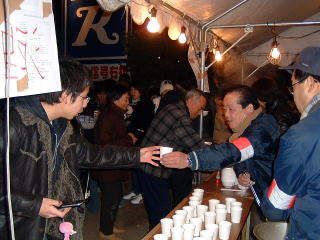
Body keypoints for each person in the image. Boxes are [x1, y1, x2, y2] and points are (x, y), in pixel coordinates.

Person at [0, 58, 160, 240]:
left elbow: (93, 154)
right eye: (84, 98)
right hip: (19, 228)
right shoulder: (12, 124)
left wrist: (137, 154)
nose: (85, 104)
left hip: (53, 225)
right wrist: (34, 205)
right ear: (66, 96)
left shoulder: (62, 126)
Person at [161, 85, 280, 200]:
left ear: (248, 109)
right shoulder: (248, 128)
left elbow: (234, 152)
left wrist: (190, 159)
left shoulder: (261, 130)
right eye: (224, 109)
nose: (226, 115)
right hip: (264, 195)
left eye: (231, 109)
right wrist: (242, 173)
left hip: (273, 199)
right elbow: (242, 158)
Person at [260, 47, 320, 239]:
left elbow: (276, 208)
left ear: (310, 83)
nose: (293, 94)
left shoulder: (302, 135)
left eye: (293, 86)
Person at [137, 88, 207, 229]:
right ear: (190, 101)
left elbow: (179, 138)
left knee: (158, 211)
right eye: (200, 108)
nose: (200, 113)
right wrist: (218, 153)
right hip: (153, 170)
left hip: (147, 167)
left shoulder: (171, 107)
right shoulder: (180, 116)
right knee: (161, 215)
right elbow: (195, 144)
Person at [92, 85, 136, 240]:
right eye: (125, 99)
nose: (127, 102)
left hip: (114, 165)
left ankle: (109, 226)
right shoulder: (109, 116)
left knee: (115, 198)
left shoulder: (115, 115)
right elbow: (105, 144)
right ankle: (106, 232)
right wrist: (129, 139)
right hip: (108, 167)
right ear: (116, 99)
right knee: (110, 200)